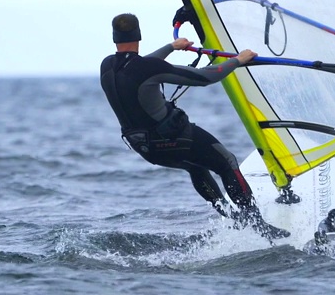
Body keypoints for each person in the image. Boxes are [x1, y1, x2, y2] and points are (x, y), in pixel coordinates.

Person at [100, 13, 289, 243]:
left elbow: (138, 66)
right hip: (177, 139)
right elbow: (206, 77)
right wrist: (238, 60)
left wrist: (171, 46)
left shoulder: (107, 66)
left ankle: (231, 216)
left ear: (114, 37)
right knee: (226, 162)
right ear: (139, 34)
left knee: (196, 167)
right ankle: (257, 224)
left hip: (146, 149)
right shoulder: (147, 67)